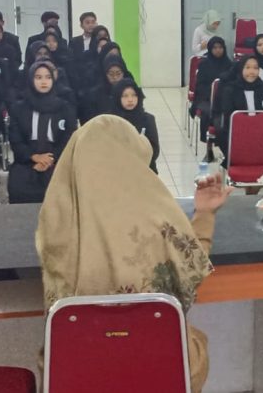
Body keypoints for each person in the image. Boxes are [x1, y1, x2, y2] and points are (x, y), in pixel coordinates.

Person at [36, 114, 233, 392]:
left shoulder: (55, 225)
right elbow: (190, 272)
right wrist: (205, 214)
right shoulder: (154, 219)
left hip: (77, 375)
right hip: (158, 372)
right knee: (189, 341)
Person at [8, 61, 76, 203]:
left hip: (57, 159)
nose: (43, 82)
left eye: (48, 77)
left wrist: (50, 159)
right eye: (38, 77)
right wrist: (34, 157)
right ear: (31, 79)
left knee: (58, 186)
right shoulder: (19, 108)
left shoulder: (65, 107)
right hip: (27, 160)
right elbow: (16, 139)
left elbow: (69, 138)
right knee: (18, 186)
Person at [219, 56, 263, 150]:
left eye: (255, 68)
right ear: (241, 69)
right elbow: (228, 119)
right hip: (237, 133)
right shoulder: (230, 90)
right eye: (247, 67)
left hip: (261, 134)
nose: (252, 72)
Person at [112, 79, 160, 174]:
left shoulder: (148, 119)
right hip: (119, 171)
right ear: (118, 98)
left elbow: (154, 150)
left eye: (134, 95)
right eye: (125, 96)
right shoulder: (112, 121)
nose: (130, 99)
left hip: (145, 170)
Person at [192, 37, 231, 142]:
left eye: (220, 47)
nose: (218, 50)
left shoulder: (229, 64)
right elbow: (200, 86)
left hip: (224, 99)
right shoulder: (204, 64)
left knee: (227, 112)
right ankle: (209, 141)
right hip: (205, 98)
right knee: (208, 112)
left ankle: (224, 141)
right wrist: (212, 93)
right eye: (215, 48)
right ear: (210, 49)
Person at [81, 55, 131, 123]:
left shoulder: (129, 92)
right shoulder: (95, 95)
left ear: (123, 74)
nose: (115, 77)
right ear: (105, 74)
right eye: (111, 74)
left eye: (118, 74)